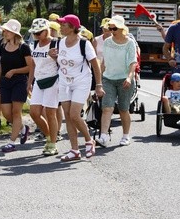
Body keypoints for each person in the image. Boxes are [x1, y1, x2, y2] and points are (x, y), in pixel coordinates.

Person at [50, 15, 104, 161]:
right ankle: (74, 150)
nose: (61, 27)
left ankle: (88, 140)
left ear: (73, 27)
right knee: (67, 115)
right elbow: (62, 62)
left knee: (74, 114)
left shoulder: (84, 44)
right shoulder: (60, 42)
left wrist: (99, 85)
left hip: (81, 82)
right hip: (64, 82)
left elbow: (95, 64)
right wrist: (54, 57)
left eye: (63, 25)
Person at [97, 15, 137, 147]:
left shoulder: (130, 42)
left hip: (124, 80)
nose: (111, 31)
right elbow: (103, 62)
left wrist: (129, 78)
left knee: (123, 109)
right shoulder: (108, 42)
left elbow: (133, 63)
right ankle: (103, 136)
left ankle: (125, 136)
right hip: (108, 78)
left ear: (121, 29)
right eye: (110, 28)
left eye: (114, 28)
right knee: (107, 108)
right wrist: (99, 81)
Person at [0, 19, 34, 152]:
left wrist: (15, 71)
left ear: (14, 33)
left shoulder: (24, 47)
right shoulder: (2, 46)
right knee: (6, 113)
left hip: (19, 81)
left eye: (7, 31)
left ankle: (12, 142)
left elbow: (30, 67)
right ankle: (23, 128)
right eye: (4, 31)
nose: (4, 33)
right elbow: (1, 66)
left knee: (16, 112)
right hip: (5, 82)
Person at [27, 18, 59, 156]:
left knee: (50, 112)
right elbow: (33, 64)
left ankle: (52, 143)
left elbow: (65, 63)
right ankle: (49, 136)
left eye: (39, 32)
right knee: (34, 112)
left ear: (47, 31)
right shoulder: (34, 44)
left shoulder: (56, 43)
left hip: (53, 80)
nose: (37, 35)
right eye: (35, 33)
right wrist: (29, 81)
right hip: (38, 81)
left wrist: (56, 58)